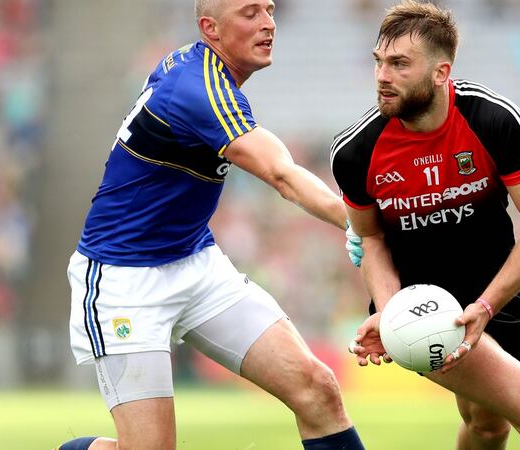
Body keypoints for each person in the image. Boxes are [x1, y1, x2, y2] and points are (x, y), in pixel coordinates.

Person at [56, 1, 365, 449]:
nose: (268, 24)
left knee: (316, 390)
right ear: (210, 29)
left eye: (270, 10)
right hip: (123, 278)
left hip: (196, 263)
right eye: (249, 13)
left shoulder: (200, 71)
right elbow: (280, 173)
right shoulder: (198, 88)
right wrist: (358, 223)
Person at [330, 2, 520, 449]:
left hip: (496, 295)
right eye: (379, 62)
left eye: (399, 64)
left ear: (441, 72)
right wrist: (389, 314)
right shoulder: (356, 152)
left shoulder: (495, 121)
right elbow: (370, 238)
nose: (382, 76)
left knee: (487, 423)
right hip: (422, 309)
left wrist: (486, 306)